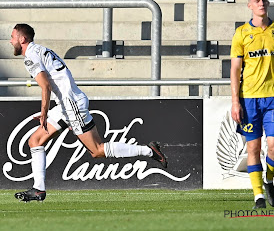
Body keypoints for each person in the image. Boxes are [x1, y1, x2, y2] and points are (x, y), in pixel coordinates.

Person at [10, 23, 168, 202]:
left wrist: (44, 112)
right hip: (66, 105)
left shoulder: (30, 56)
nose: (10, 40)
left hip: (71, 105)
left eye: (13, 37)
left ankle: (148, 151)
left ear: (22, 39)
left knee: (97, 150)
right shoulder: (41, 50)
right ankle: (38, 189)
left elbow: (45, 85)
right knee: (35, 141)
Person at [230, 0, 274, 209]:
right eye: (257, 0)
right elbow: (234, 70)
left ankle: (268, 181)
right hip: (249, 98)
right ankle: (258, 195)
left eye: (264, 0)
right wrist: (235, 101)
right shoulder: (241, 33)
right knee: (253, 148)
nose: (261, 3)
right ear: (249, 5)